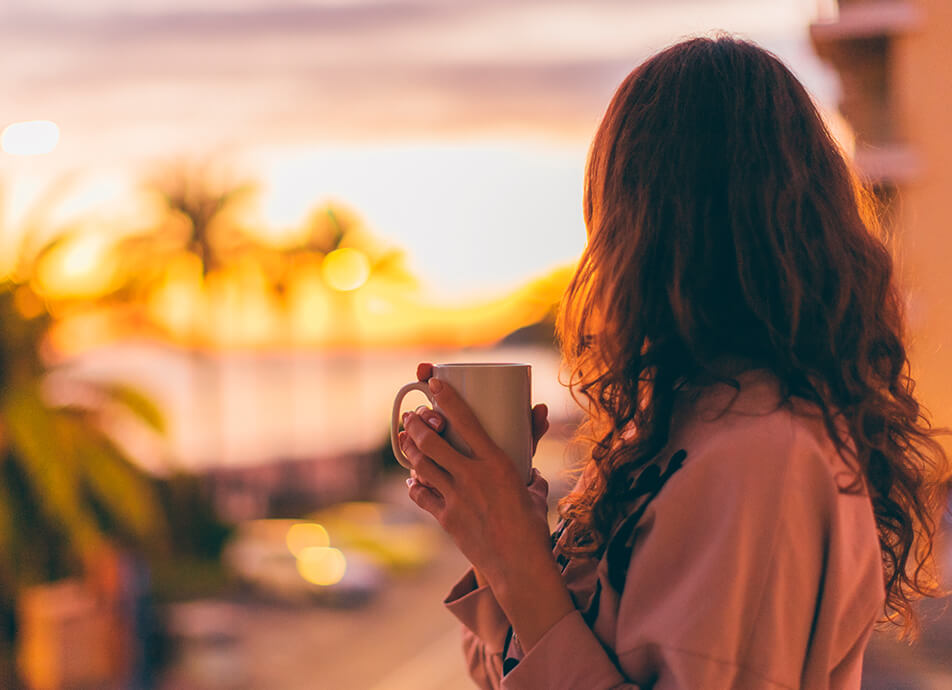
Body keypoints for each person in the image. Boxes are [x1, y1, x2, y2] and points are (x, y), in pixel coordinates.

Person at [396, 34, 950, 689]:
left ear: (643, 226)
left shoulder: (762, 454)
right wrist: (494, 530)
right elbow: (511, 670)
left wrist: (514, 557)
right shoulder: (673, 432)